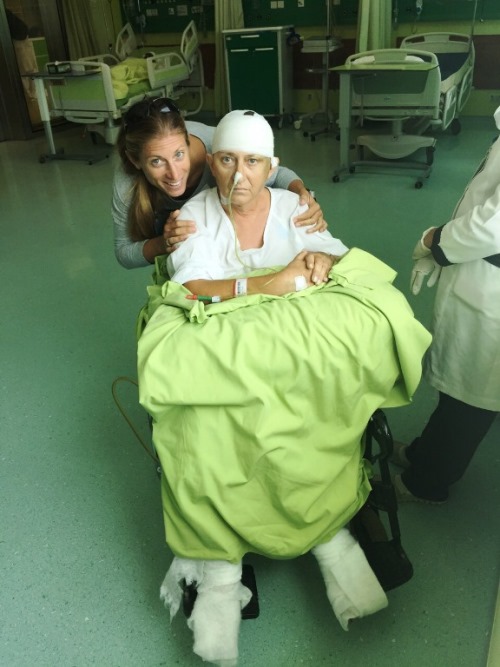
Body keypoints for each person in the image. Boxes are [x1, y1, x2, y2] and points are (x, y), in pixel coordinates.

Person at [137, 110, 431, 665]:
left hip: (288, 355)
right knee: (202, 400)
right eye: (227, 160)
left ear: (272, 167)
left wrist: (322, 257)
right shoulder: (193, 216)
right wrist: (269, 284)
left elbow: (336, 256)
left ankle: (328, 532)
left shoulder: (296, 209)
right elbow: (192, 285)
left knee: (330, 378)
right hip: (233, 352)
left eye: (253, 162)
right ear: (211, 163)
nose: (239, 175)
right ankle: (223, 570)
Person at [393, 106, 500, 504]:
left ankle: (427, 483)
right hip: (477, 271)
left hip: (491, 292)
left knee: (471, 398)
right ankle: (425, 454)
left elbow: (493, 225)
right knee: (459, 392)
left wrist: (434, 241)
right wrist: (444, 248)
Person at [112, 98, 326, 269]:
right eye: (156, 162)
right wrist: (164, 242)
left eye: (179, 154)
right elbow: (124, 253)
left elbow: (276, 173)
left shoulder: (222, 149)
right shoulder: (127, 183)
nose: (174, 174)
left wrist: (304, 197)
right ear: (136, 161)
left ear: (189, 143)